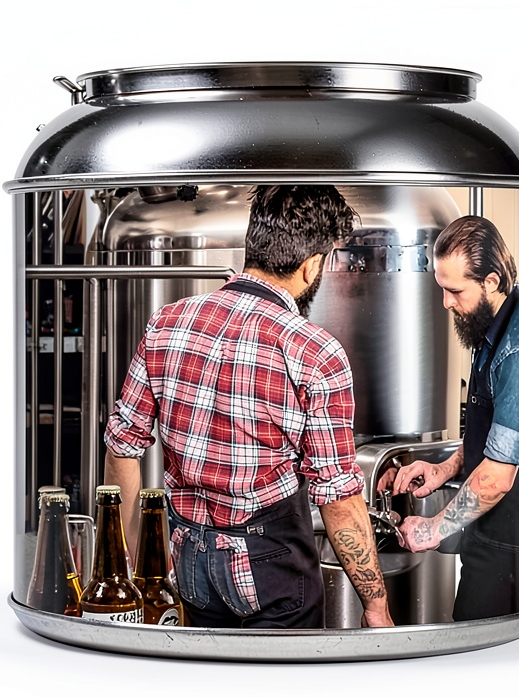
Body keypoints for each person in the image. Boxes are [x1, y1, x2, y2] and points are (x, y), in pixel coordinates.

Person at [103, 185, 393, 629]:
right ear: (312, 265)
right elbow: (336, 495)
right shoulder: (314, 351)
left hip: (188, 563)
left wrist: (128, 566)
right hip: (270, 567)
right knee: (282, 676)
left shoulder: (167, 323)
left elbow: (122, 447)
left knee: (207, 671)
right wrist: (375, 606)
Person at [379, 215, 519, 621]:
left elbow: (499, 475)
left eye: (455, 291)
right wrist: (443, 469)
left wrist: (433, 528)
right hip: (486, 534)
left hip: (510, 548)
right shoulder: (493, 325)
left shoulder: (517, 349)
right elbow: (495, 438)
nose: (446, 303)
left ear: (491, 281)